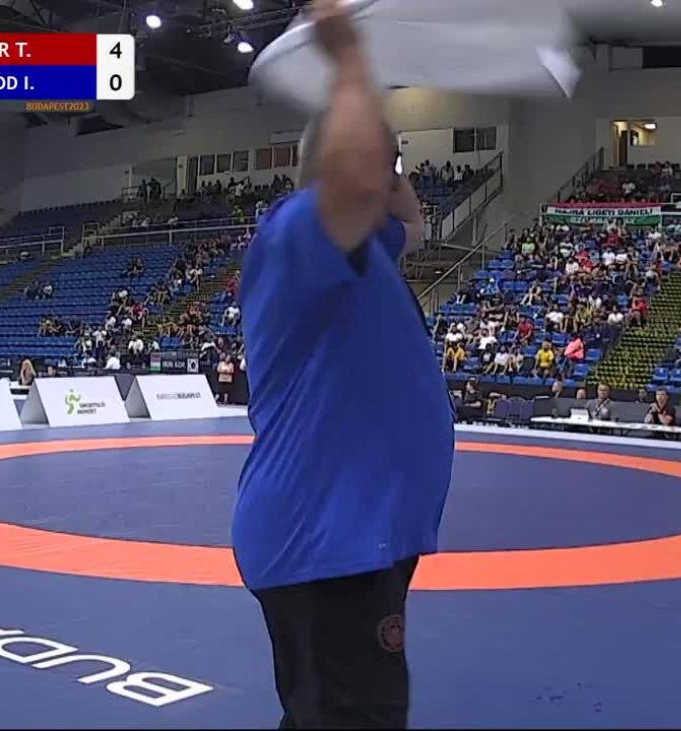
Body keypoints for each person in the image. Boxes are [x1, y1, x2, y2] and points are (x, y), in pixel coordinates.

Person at [231, 0, 453, 726]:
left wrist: (392, 160)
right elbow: (355, 181)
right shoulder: (297, 234)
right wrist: (349, 60)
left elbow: (413, 224)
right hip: (325, 541)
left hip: (351, 536)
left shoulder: (361, 250)